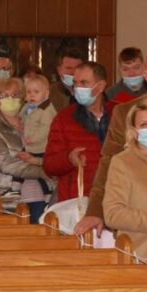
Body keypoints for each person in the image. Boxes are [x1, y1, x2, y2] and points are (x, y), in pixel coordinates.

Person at [76, 47, 147, 237]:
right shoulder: (125, 112)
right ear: (146, 74)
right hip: (141, 215)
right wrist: (95, 211)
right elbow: (108, 161)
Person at [102, 98, 147, 259]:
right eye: (144, 125)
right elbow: (113, 214)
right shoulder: (122, 162)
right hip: (140, 253)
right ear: (134, 131)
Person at [43, 62, 117, 204]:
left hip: (115, 196)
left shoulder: (120, 113)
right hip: (77, 199)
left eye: (84, 83)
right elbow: (49, 165)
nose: (78, 88)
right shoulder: (64, 118)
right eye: (75, 83)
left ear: (101, 86)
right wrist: (68, 159)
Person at [0, 77, 51, 222]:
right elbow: (4, 163)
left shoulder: (35, 123)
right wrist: (43, 171)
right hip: (7, 195)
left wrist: (44, 163)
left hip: (43, 191)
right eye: (4, 96)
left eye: (15, 95)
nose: (11, 99)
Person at [18, 74, 57, 203]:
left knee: (41, 169)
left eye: (36, 92)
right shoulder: (27, 107)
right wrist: (20, 124)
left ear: (46, 93)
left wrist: (33, 138)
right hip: (29, 145)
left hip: (41, 146)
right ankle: (17, 185)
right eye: (28, 92)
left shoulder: (46, 109)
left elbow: (46, 128)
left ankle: (48, 187)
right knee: (27, 166)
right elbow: (21, 118)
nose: (32, 95)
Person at [49, 47, 86, 111]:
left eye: (77, 68)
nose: (73, 72)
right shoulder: (49, 93)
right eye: (68, 68)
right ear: (59, 70)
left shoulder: (90, 92)